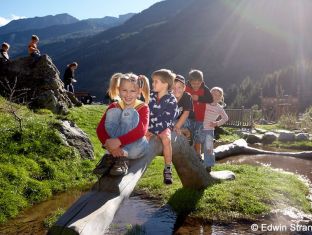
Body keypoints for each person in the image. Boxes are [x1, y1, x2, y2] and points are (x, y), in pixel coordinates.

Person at [95, 73, 150, 176]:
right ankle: (110, 155)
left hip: (136, 147)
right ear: (119, 90)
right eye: (124, 90)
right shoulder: (114, 106)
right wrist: (110, 146)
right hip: (114, 147)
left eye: (132, 91)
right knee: (113, 112)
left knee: (129, 113)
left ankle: (122, 159)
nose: (128, 94)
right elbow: (100, 129)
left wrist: (119, 141)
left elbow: (141, 131)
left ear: (139, 92)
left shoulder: (143, 107)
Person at [147, 69, 178, 184]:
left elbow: (167, 120)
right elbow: (146, 113)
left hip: (163, 127)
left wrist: (154, 131)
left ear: (165, 84)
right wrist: (147, 129)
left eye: (156, 81)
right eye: (152, 81)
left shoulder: (171, 100)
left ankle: (168, 168)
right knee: (142, 139)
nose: (153, 84)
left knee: (166, 139)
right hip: (149, 126)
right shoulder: (150, 96)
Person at [185, 69, 213, 158]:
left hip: (201, 118)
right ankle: (190, 152)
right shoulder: (186, 88)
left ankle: (198, 153)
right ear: (190, 82)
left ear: (202, 81)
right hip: (189, 117)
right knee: (190, 134)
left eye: (198, 83)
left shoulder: (204, 88)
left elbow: (210, 99)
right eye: (194, 83)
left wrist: (199, 98)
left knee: (199, 136)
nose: (196, 85)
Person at [200, 87, 228, 173]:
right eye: (212, 93)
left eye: (217, 95)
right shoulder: (204, 103)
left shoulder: (219, 108)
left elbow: (225, 118)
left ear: (220, 98)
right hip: (199, 128)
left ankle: (208, 165)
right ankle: (196, 162)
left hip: (209, 130)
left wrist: (216, 123)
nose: (214, 96)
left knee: (208, 148)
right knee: (196, 145)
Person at [172, 74, 193, 143]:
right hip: (175, 119)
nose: (176, 90)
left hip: (187, 120)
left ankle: (186, 131)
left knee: (174, 125)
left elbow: (186, 113)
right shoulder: (170, 97)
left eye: (179, 87)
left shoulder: (187, 96)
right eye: (173, 87)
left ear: (184, 88)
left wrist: (177, 126)